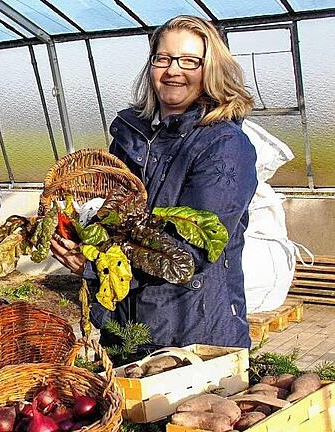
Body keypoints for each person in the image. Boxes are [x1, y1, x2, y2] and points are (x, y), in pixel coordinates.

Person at [51, 15, 258, 349]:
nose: (173, 70)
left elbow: (189, 253)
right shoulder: (132, 135)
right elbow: (115, 221)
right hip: (123, 323)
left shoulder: (224, 146)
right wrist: (76, 228)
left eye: (190, 61)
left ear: (211, 70)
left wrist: (94, 267)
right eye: (163, 59)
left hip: (191, 331)